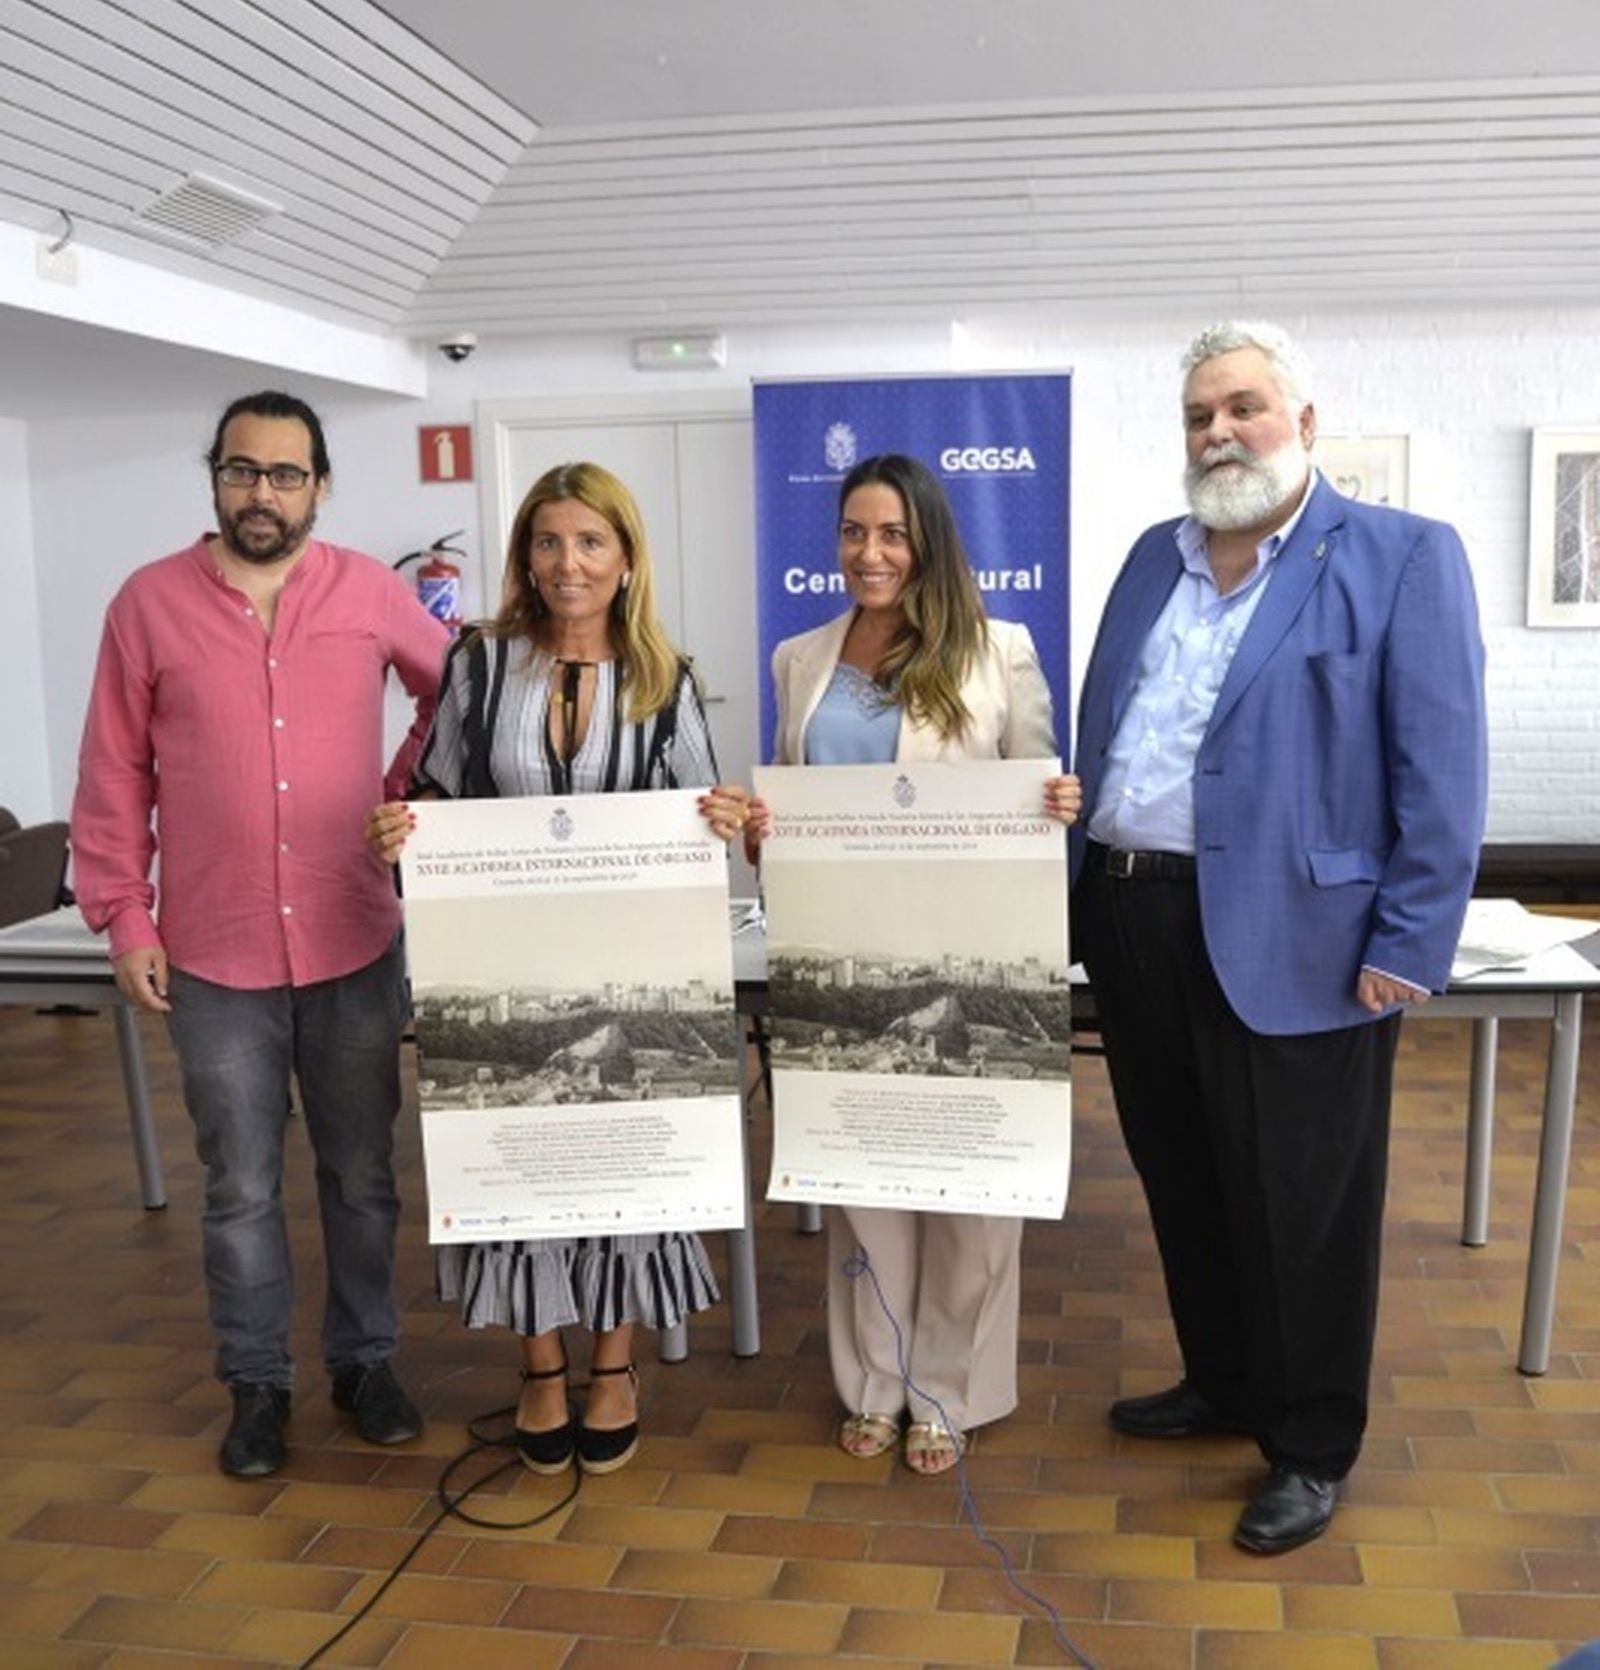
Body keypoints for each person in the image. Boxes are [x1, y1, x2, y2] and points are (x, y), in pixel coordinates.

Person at [1071, 321, 1487, 1553]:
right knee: (1182, 1169)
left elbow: (1442, 766)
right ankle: (1225, 1379)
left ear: (1303, 422)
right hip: (1136, 912)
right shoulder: (1156, 556)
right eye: (1198, 414)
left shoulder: (1402, 556)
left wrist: (1410, 935)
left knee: (1301, 1200)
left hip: (1302, 936)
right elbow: (1114, 730)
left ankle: (1308, 1443)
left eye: (1242, 407)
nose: (1216, 432)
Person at [71, 390, 450, 1478]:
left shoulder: (370, 593)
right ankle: (257, 1383)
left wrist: (401, 790)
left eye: (286, 474)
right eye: (243, 470)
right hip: (213, 947)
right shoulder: (147, 604)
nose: (263, 492)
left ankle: (365, 1360)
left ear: (321, 486)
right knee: (237, 1180)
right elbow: (112, 770)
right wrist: (123, 911)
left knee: (362, 1172)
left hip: (350, 932)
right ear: (215, 477)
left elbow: (454, 696)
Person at [366, 460, 750, 1477]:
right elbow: (440, 786)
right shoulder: (480, 665)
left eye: (589, 542)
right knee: (518, 1158)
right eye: (546, 541)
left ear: (626, 560)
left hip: (627, 968)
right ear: (524, 558)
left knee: (622, 1150)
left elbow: (702, 816)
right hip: (506, 962)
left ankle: (615, 1362)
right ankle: (539, 1366)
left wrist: (723, 817)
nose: (566, 562)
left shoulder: (668, 675)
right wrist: (405, 825)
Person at [745, 452, 1081, 1475]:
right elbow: (791, 799)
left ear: (926, 539)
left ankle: (948, 1385)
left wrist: (1056, 799)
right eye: (854, 531)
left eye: (891, 532)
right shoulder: (798, 657)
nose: (870, 551)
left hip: (969, 960)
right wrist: (763, 827)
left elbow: (1036, 781)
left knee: (973, 1188)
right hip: (843, 961)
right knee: (865, 1177)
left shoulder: (997, 649)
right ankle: (875, 1381)